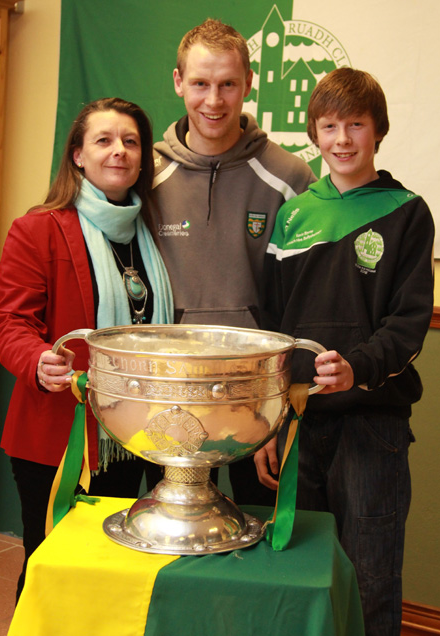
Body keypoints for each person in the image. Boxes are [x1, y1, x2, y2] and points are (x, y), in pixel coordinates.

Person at [255, 68, 434, 636]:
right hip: (300, 425)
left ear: (377, 130)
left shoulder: (407, 211)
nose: (342, 139)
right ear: (313, 132)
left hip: (371, 429)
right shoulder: (293, 215)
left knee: (371, 579)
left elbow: (408, 324)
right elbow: (273, 327)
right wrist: (271, 421)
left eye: (355, 125)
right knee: (302, 574)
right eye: (329, 126)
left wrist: (357, 367)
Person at [0, 97, 173, 601]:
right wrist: (37, 361)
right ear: (77, 155)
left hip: (136, 433)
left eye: (131, 141)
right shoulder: (39, 228)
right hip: (61, 434)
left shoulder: (157, 233)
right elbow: (10, 322)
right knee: (53, 570)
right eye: (104, 140)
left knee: (111, 573)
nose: (119, 151)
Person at [152, 18, 315, 506]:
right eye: (200, 83)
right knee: (169, 542)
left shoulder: (291, 176)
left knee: (252, 545)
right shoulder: (145, 176)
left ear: (248, 84)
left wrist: (280, 407)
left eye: (227, 84)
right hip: (166, 398)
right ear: (179, 82)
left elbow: (303, 302)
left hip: (256, 402)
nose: (214, 100)